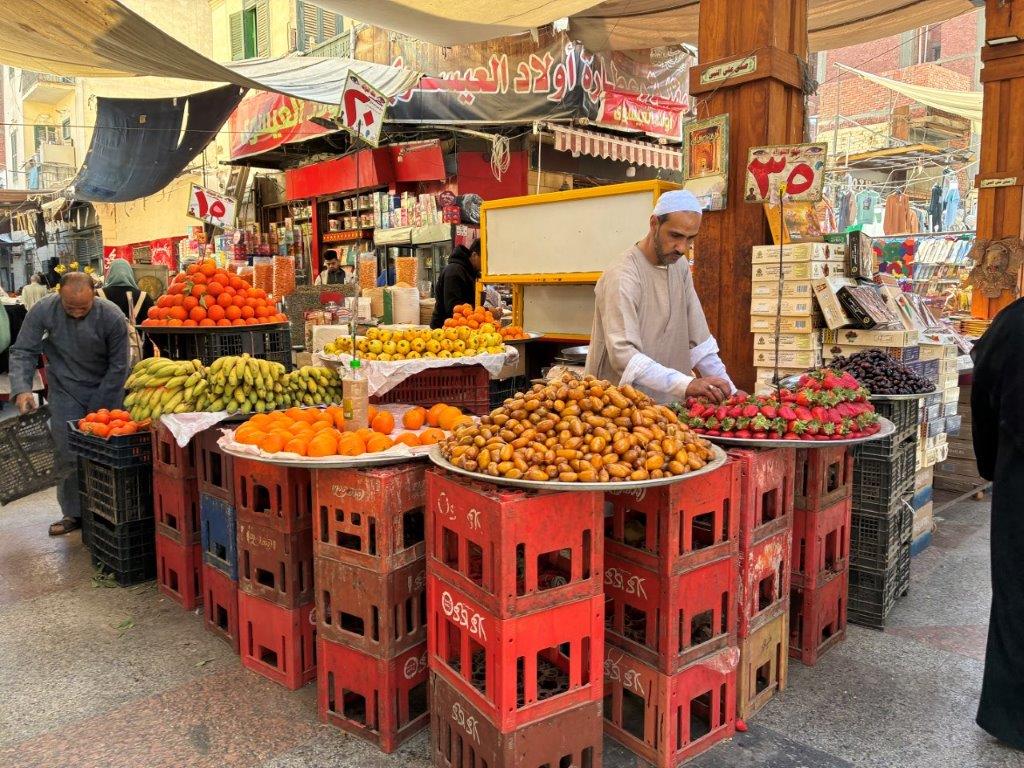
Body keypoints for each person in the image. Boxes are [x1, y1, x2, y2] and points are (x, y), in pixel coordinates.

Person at [586, 189, 736, 404]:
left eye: (690, 239)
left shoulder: (679, 266)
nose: (682, 248)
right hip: (618, 408)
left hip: (670, 407)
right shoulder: (623, 275)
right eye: (675, 236)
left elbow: (699, 341)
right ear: (654, 224)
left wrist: (731, 391)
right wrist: (686, 385)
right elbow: (623, 356)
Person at [10, 272, 129, 536]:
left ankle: (111, 511)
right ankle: (73, 513)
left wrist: (99, 408)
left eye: (83, 308)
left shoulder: (111, 316)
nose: (76, 313)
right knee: (67, 453)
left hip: (107, 387)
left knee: (107, 453)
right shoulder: (44, 309)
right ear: (58, 295)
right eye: (70, 307)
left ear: (94, 296)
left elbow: (119, 366)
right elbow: (23, 350)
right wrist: (22, 389)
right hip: (66, 389)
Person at [970, 299, 1024, 751]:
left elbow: (985, 385)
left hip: (1022, 480)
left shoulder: (1017, 321)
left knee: (1017, 592)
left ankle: (1013, 717)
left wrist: (990, 464)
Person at [430, 240, 481, 329]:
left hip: (463, 329)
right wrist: (484, 311)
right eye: (485, 259)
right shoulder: (454, 271)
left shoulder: (473, 273)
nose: (487, 264)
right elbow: (453, 307)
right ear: (474, 255)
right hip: (444, 330)